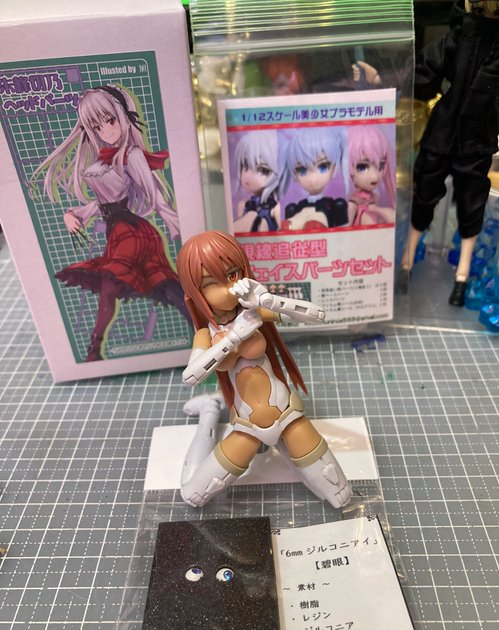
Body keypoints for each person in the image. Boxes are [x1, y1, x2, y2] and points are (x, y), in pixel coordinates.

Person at [176, 231, 352, 509]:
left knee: (339, 492)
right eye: (212, 283)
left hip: (285, 411)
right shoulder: (206, 333)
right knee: (193, 494)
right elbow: (191, 375)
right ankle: (209, 413)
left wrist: (269, 301)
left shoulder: (253, 311)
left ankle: (286, 449)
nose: (229, 288)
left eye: (232, 274)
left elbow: (316, 314)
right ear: (196, 292)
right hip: (247, 424)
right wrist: (233, 339)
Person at [32, 84, 190, 361]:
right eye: (97, 126)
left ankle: (94, 350)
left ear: (122, 116)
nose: (105, 131)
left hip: (131, 231)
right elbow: (101, 203)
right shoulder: (105, 161)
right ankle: (204, 328)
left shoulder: (132, 155)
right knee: (163, 282)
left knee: (112, 286)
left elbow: (153, 194)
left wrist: (177, 222)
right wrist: (73, 215)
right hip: (120, 232)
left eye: (110, 120)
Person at [399, 0, 499, 306]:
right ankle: (407, 261)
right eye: (480, 9)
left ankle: (461, 275)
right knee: (424, 193)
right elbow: (421, 74)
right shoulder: (455, 40)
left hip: (477, 139)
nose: (488, 17)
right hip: (443, 131)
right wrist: (387, 79)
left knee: (472, 205)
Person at [279, 127, 348, 230]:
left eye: (323, 166)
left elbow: (343, 234)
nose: (313, 178)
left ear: (334, 168)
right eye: (302, 170)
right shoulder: (294, 208)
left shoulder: (337, 206)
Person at [347, 126, 396, 226]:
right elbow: (345, 228)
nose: (375, 176)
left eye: (381, 165)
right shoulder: (353, 202)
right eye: (362, 167)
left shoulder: (374, 197)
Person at [233, 131, 280, 232]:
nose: (249, 176)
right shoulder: (243, 206)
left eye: (263, 170)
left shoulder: (275, 209)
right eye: (245, 165)